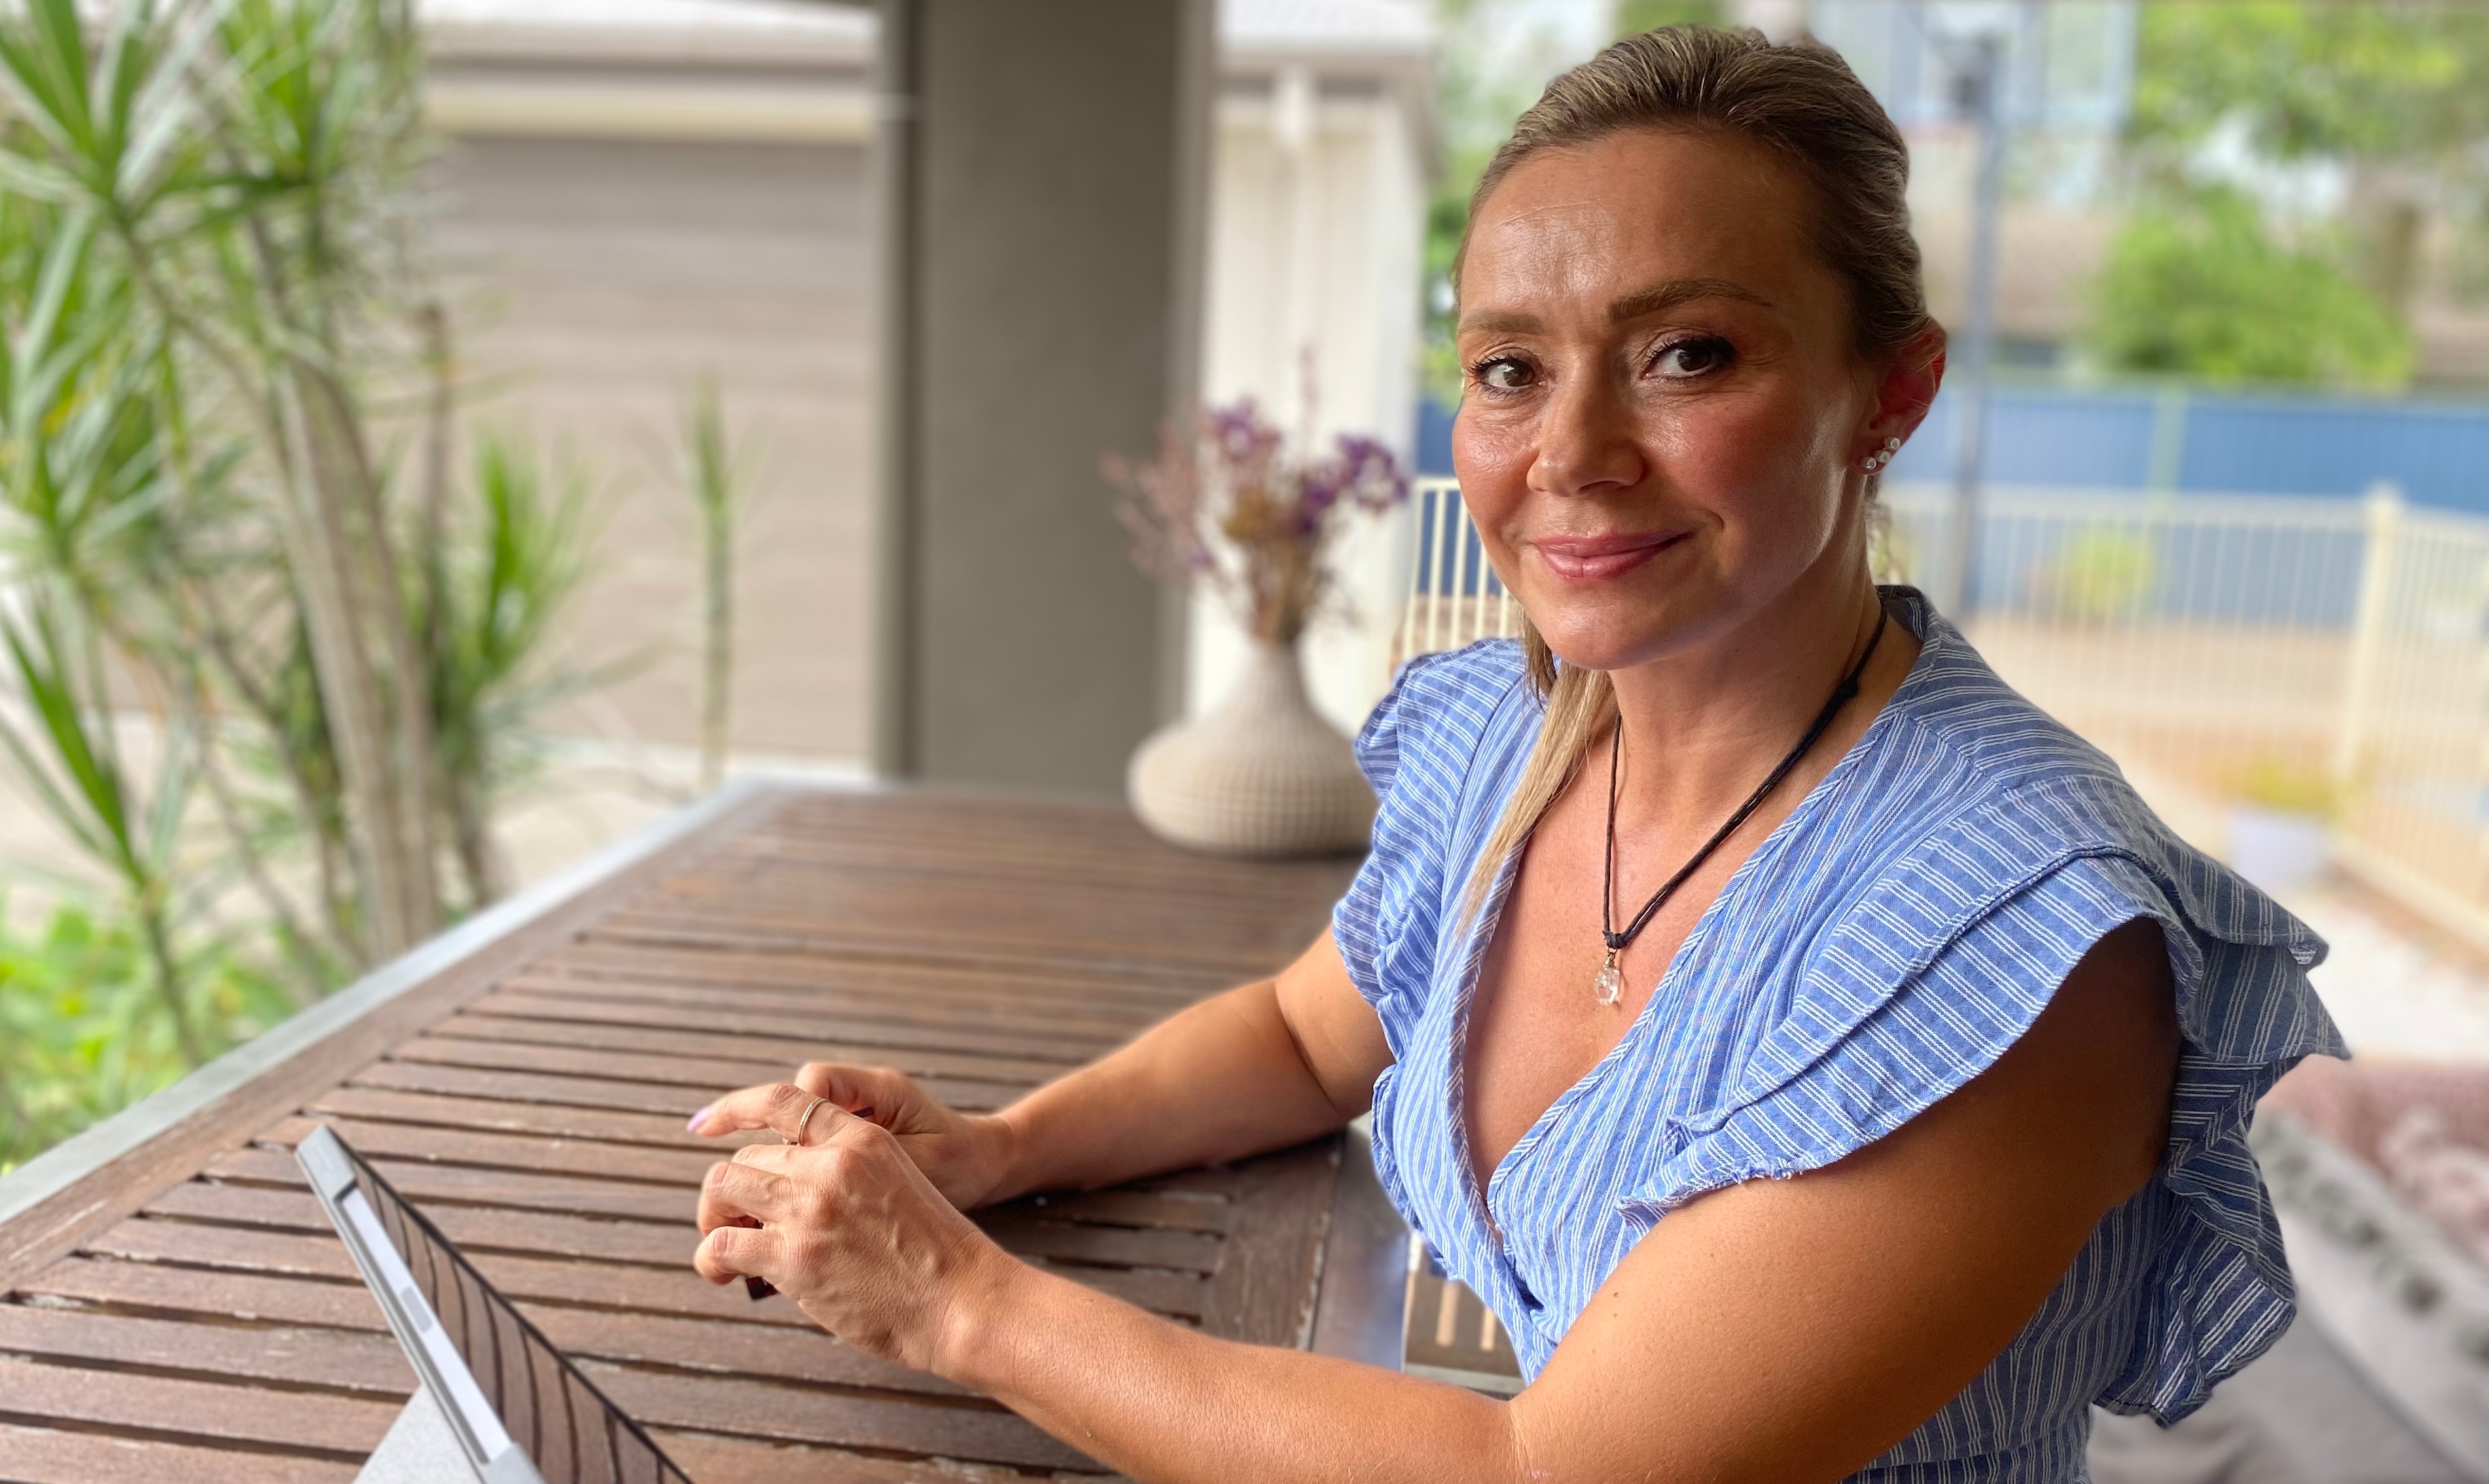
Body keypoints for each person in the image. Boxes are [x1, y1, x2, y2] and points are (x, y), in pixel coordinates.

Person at [682, 26, 2344, 1483]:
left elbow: (1548, 1471)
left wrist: (958, 1301)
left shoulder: (2025, 936)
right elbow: (1302, 1032)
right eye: (1507, 371)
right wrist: (995, 1151)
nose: (1571, 454)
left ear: (1886, 393)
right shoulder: (1519, 732)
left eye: (1688, 353)